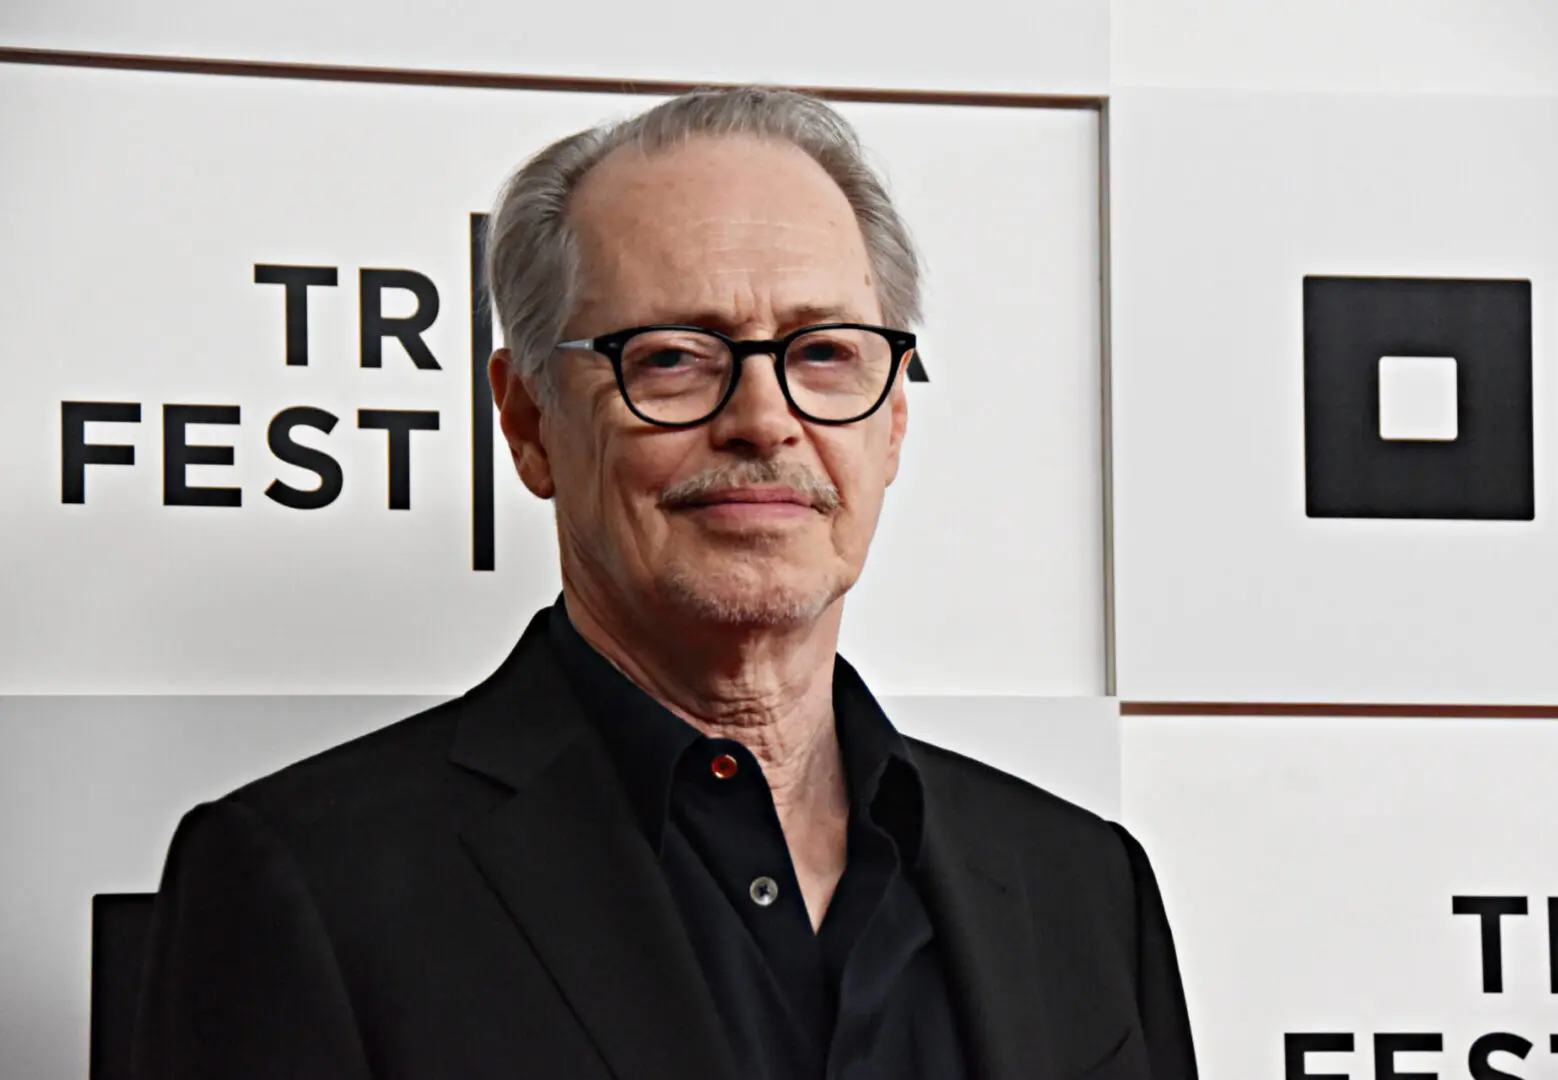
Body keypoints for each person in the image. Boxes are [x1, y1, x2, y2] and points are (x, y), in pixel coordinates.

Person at [133, 86, 1198, 1080]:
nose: (764, 419)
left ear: (893, 423)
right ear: (528, 422)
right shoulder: (308, 886)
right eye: (675, 358)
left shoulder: (1083, 886)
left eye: (824, 352)